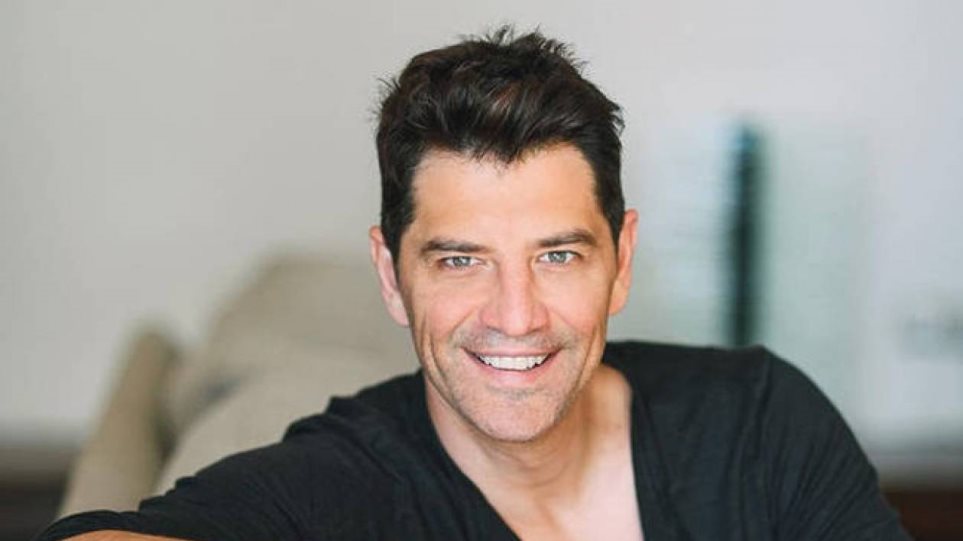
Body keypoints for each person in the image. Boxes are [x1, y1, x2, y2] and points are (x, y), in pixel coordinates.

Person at [38, 27, 910, 540]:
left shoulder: (758, 422)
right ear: (391, 275)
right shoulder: (345, 479)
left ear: (621, 260)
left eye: (557, 255)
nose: (515, 315)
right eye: (460, 259)